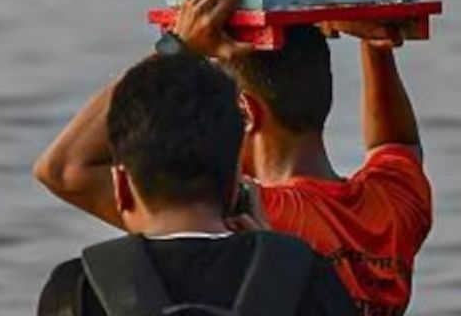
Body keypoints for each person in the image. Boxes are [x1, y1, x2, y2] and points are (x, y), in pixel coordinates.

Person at [35, 0, 433, 316]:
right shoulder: (394, 205)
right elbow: (396, 143)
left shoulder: (245, 212)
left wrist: (178, 49)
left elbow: (65, 169)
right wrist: (376, 46)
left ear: (245, 112)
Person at [35, 49, 356, 316]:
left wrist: (177, 42)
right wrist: (277, 262)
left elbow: (62, 168)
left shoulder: (77, 289)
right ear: (235, 184)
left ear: (121, 186)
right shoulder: (306, 279)